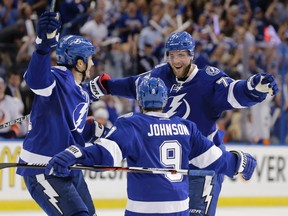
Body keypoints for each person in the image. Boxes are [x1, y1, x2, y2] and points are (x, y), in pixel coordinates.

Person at [88, 31, 279, 216]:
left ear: (191, 55)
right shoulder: (160, 75)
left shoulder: (208, 80)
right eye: (172, 55)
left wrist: (252, 89)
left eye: (181, 55)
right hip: (171, 169)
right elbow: (133, 85)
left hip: (203, 164)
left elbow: (234, 92)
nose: (176, 61)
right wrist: (104, 87)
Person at [45, 77, 257, 216]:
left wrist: (74, 154)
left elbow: (105, 156)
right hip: (180, 210)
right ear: (164, 100)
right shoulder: (186, 127)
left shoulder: (132, 124)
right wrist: (239, 162)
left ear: (139, 100)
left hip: (143, 211)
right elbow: (215, 161)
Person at [16, 11, 107, 216]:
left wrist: (97, 131)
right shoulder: (58, 77)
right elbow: (37, 81)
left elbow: (72, 130)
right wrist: (42, 47)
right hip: (43, 168)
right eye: (90, 59)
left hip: (67, 166)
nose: (92, 64)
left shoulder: (81, 91)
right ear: (79, 63)